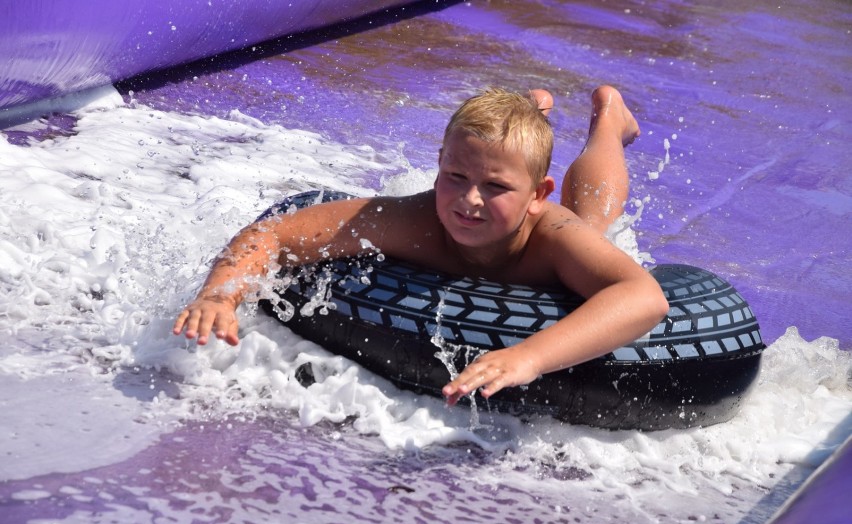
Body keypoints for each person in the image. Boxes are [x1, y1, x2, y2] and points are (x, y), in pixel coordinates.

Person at [173, 85, 669, 406]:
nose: (469, 201)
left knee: (593, 218)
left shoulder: (554, 238)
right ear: (438, 165)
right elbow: (278, 234)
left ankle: (609, 118)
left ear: (538, 196)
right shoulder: (414, 218)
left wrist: (530, 357)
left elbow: (643, 297)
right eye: (454, 176)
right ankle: (527, 111)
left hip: (560, 228)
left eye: (496, 188)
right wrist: (221, 293)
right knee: (505, 145)